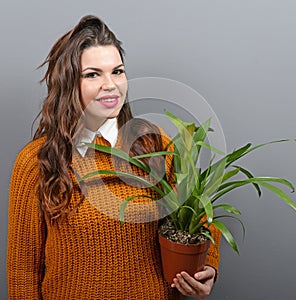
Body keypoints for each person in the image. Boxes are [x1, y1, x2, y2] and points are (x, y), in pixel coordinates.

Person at [7, 15, 221, 299]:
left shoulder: (154, 144)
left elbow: (198, 217)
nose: (111, 85)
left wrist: (209, 267)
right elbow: (23, 270)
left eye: (117, 72)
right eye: (93, 74)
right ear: (68, 83)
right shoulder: (36, 162)